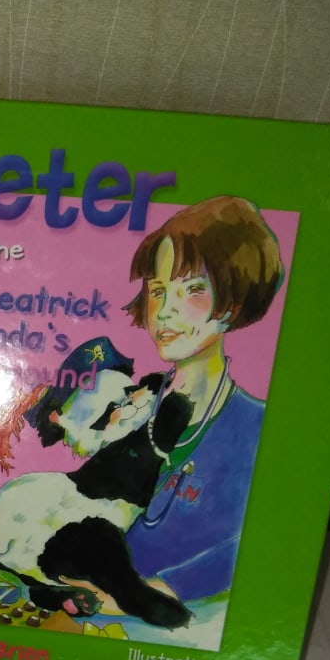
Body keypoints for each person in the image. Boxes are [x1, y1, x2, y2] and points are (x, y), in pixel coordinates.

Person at [122, 196, 283, 605]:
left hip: (187, 620)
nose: (165, 312)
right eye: (158, 290)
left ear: (233, 302)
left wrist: (168, 588)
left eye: (192, 290)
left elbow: (268, 539)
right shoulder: (130, 410)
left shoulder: (258, 428)